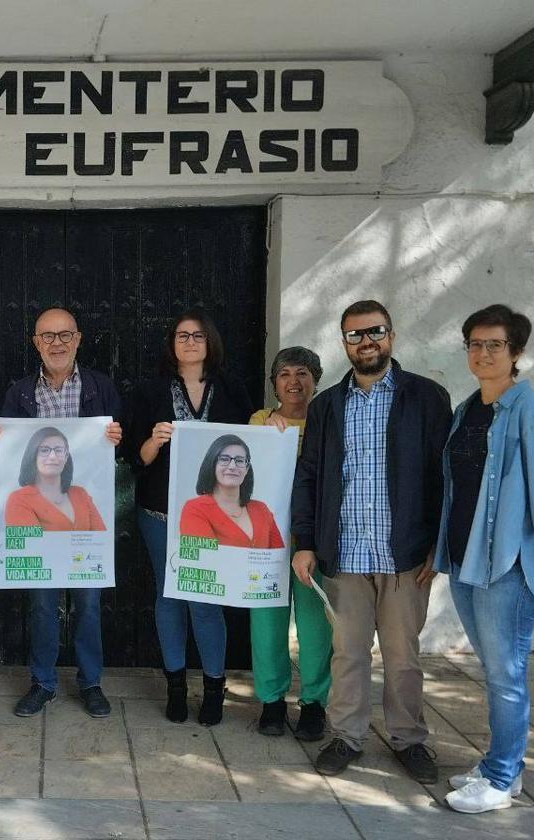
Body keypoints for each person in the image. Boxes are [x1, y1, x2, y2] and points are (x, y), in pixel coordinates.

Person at [290, 300, 452, 782]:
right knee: (349, 653)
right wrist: (305, 540)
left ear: (391, 336)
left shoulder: (426, 398)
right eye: (355, 335)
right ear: (344, 344)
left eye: (374, 332)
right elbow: (310, 475)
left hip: (405, 555)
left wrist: (437, 544)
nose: (366, 342)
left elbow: (443, 477)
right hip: (346, 553)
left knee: (404, 657)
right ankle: (347, 736)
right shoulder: (327, 406)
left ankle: (408, 738)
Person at [436, 305, 534, 814]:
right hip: (467, 560)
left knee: (505, 673)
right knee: (494, 670)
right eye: (474, 343)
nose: (482, 353)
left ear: (516, 351)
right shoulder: (469, 409)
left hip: (508, 568)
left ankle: (500, 778)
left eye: (494, 344)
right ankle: (502, 764)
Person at [0, 307, 123, 719]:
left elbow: (122, 448)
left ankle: (91, 683)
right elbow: (9, 453)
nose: (57, 343)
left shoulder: (100, 387)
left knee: (89, 605)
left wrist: (118, 435)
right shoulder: (21, 392)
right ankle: (43, 683)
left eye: (65, 335)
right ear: (35, 343)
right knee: (43, 606)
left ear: (78, 339)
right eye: (48, 336)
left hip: (83, 523)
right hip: (38, 529)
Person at [124, 307, 253, 726]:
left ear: (209, 341)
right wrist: (154, 441)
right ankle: (176, 687)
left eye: (198, 335)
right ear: (172, 344)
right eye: (182, 335)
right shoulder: (149, 392)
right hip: (159, 513)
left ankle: (214, 688)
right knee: (170, 596)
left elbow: (254, 445)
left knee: (206, 599)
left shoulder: (233, 390)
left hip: (216, 518)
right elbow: (136, 459)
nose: (190, 342)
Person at [248, 347, 333, 741]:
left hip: (312, 538)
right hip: (267, 538)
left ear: (316, 379)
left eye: (303, 373)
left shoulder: (329, 420)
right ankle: (271, 700)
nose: (293, 381)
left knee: (316, 626)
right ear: (274, 382)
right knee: (267, 620)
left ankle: (314, 703)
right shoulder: (260, 421)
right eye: (284, 374)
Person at [179, 434, 284, 549]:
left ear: (247, 468)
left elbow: (277, 558)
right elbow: (205, 560)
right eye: (224, 459)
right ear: (212, 464)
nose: (232, 466)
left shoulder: (262, 509)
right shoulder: (195, 508)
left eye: (239, 460)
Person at [4, 426, 107, 531]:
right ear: (33, 455)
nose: (53, 456)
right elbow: (31, 546)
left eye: (58, 450)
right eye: (44, 450)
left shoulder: (81, 494)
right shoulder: (18, 500)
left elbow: (101, 539)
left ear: (66, 456)